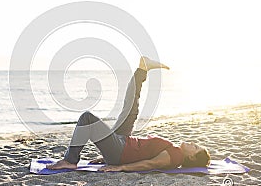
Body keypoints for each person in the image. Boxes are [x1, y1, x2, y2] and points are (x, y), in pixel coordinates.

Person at [47, 57, 210, 172]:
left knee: (87, 118)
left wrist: (121, 166)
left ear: (192, 158)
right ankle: (142, 69)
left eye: (194, 147)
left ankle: (70, 161)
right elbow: (145, 157)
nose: (191, 143)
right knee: (132, 109)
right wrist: (106, 157)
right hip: (123, 143)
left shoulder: (175, 156)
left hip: (121, 151)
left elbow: (148, 164)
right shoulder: (175, 153)